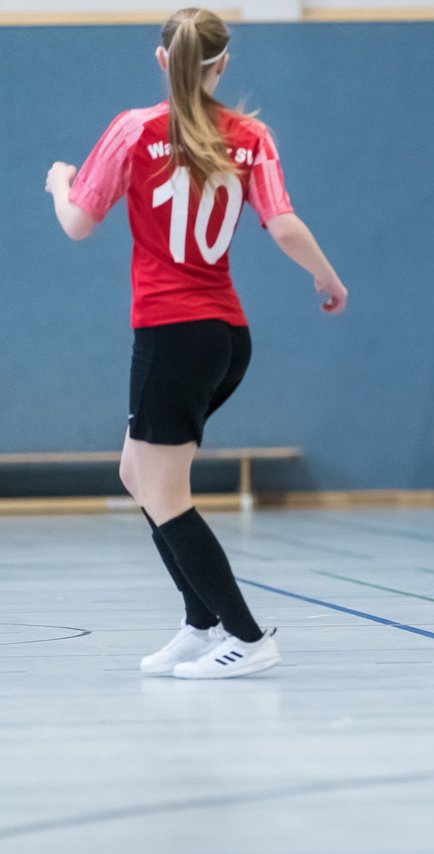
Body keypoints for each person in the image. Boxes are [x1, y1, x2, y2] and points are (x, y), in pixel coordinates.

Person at [45, 7, 348, 675]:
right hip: (223, 335)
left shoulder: (134, 130)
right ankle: (200, 621)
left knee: (165, 491)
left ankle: (246, 637)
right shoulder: (251, 136)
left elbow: (77, 224)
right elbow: (284, 223)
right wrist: (327, 278)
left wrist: (61, 183)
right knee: (139, 475)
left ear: (163, 59)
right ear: (222, 64)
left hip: (172, 333)